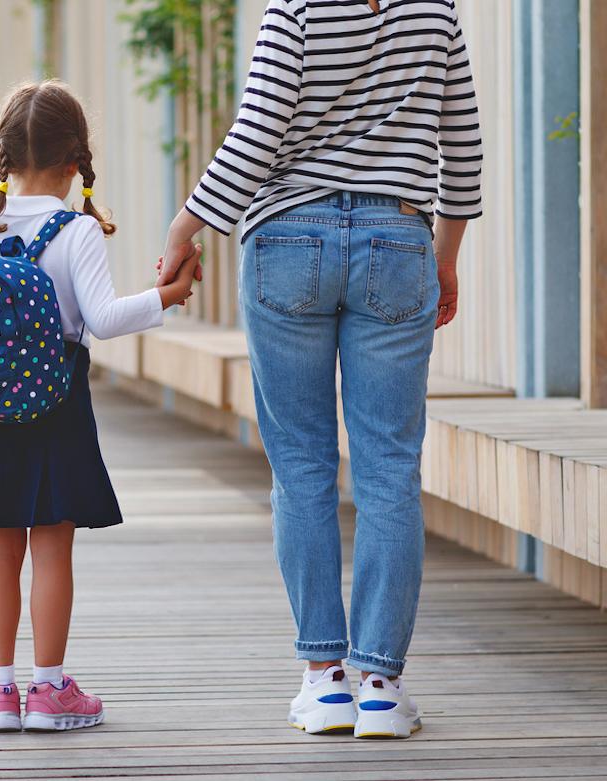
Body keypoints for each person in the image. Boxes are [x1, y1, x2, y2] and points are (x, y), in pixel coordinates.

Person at [157, 0, 482, 738]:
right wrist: (447, 256)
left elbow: (257, 131)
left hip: (287, 239)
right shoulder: (437, 12)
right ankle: (381, 687)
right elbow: (461, 148)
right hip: (399, 239)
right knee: (388, 467)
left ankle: (324, 680)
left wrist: (187, 224)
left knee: (300, 464)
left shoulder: (295, 9)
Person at [0, 80, 199, 732]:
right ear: (72, 163)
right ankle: (51, 688)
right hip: (56, 405)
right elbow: (106, 319)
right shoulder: (75, 230)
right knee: (53, 549)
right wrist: (166, 296)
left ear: (3, 157)